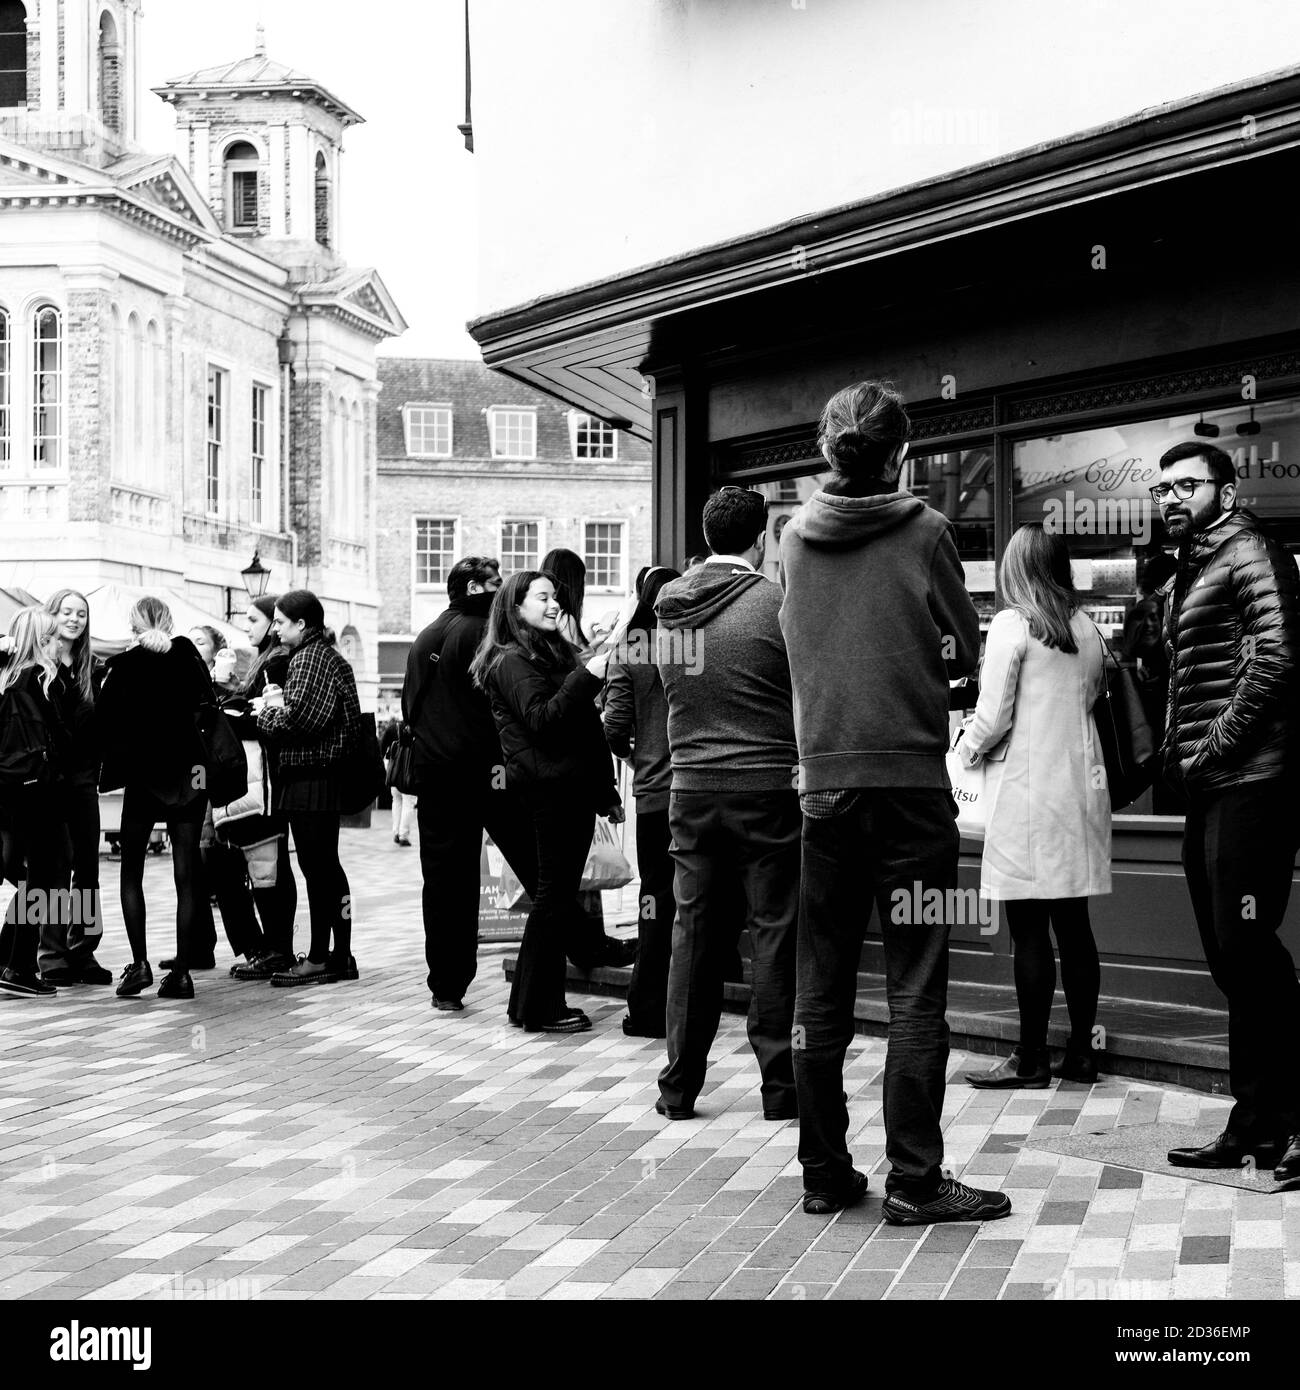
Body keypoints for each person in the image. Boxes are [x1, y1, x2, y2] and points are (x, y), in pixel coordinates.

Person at [780, 380, 1010, 1226]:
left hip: (824, 792)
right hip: (913, 788)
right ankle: (915, 1180)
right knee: (916, 981)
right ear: (900, 454)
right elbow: (964, 640)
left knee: (821, 983)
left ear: (826, 451)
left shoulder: (792, 540)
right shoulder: (927, 530)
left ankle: (823, 1169)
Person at [1148, 443, 1300, 1181]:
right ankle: (1257, 1124)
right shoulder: (1191, 565)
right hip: (1209, 787)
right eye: (1162, 487)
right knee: (1231, 959)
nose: (1171, 496)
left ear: (1227, 490)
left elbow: (1276, 658)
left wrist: (1208, 750)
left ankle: (1291, 1118)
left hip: (1253, 784)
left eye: (1187, 484)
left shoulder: (1252, 552)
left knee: (1250, 951)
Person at [653, 489, 800, 1121]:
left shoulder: (668, 612)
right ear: (762, 539)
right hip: (766, 788)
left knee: (694, 935)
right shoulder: (776, 605)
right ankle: (780, 1090)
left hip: (690, 790)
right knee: (773, 930)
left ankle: (678, 1089)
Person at [959, 525, 1110, 1088]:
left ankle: (1029, 1060)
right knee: (1075, 927)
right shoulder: (1087, 628)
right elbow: (1091, 701)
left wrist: (966, 750)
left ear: (1015, 567)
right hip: (1081, 789)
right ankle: (1082, 1056)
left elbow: (993, 715)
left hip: (1028, 790)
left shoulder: (1012, 624)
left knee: (1027, 930)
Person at [470, 570, 624, 1033]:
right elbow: (545, 720)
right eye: (543, 597)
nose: (554, 603)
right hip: (548, 791)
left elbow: (583, 726)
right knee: (552, 899)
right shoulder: (510, 660)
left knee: (554, 898)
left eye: (555, 596)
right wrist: (588, 671)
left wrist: (605, 793)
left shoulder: (546, 650)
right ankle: (539, 1007)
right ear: (516, 607)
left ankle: (529, 1005)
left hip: (570, 789)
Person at [405, 555, 537, 1012]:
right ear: (477, 588)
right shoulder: (485, 634)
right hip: (488, 772)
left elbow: (410, 709)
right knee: (538, 866)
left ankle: (446, 985)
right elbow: (503, 702)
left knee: (444, 882)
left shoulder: (427, 635)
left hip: (435, 775)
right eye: (496, 583)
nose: (504, 591)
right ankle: (569, 954)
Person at [97, 597, 214, 1000]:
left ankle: (140, 964)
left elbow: (105, 724)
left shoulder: (122, 667)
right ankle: (182, 973)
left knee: (131, 871)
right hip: (188, 778)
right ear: (169, 622)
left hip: (143, 778)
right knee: (186, 877)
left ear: (133, 626)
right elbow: (208, 707)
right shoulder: (188, 656)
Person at [256, 590, 361, 987]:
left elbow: (302, 720)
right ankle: (340, 953)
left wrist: (268, 713)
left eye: (281, 622)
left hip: (311, 776)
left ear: (302, 624)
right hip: (324, 775)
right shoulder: (328, 657)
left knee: (318, 870)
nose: (276, 629)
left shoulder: (309, 658)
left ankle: (321, 957)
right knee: (328, 868)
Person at [603, 565, 681, 1037]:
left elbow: (613, 727)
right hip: (701, 788)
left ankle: (648, 1009)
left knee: (654, 899)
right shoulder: (695, 648)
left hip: (653, 793)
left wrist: (638, 759)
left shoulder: (628, 652)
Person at [218, 595, 299, 981]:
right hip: (253, 782)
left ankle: (276, 949)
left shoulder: (277, 662)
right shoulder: (264, 661)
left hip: (264, 781)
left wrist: (238, 711)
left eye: (255, 619)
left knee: (268, 867)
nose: (247, 625)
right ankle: (266, 948)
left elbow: (273, 717)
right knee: (258, 866)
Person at [38, 589, 111, 985]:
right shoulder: (39, 665)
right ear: (52, 615)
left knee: (87, 869)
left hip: (83, 782)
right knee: (53, 869)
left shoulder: (91, 668)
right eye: (67, 612)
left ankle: (83, 951)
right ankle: (51, 955)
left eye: (81, 613)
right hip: (50, 784)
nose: (74, 619)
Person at [0, 609, 72, 997]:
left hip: (15, 792)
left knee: (35, 878)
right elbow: (59, 740)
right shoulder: (39, 679)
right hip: (37, 791)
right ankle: (20, 966)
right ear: (38, 640)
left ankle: (12, 960)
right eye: (50, 638)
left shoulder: (8, 677)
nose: (58, 644)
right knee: (45, 879)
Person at [380, 716, 416, 846]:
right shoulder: (415, 729)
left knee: (396, 801)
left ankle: (395, 831)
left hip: (394, 771)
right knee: (409, 802)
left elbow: (382, 748)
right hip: (408, 773)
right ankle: (403, 835)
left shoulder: (392, 728)